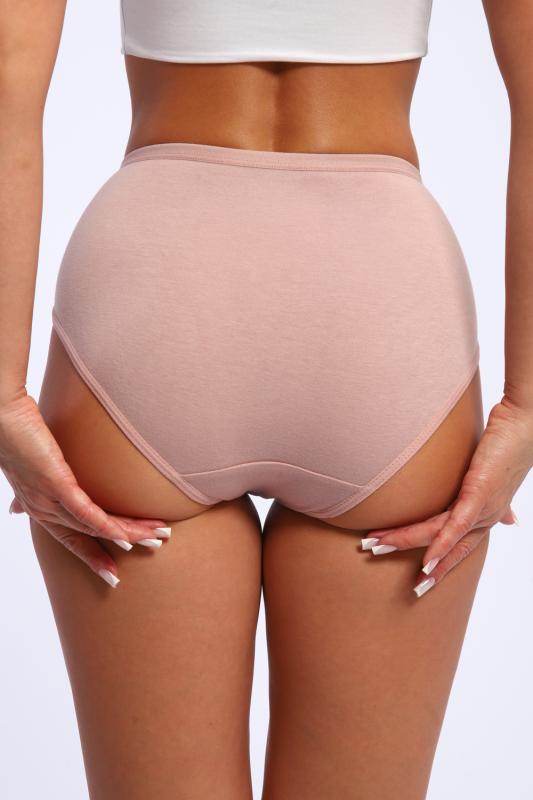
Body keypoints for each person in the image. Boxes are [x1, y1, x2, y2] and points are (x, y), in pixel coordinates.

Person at [1, 1, 532, 798]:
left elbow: (6, 87)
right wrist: (526, 404)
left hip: (157, 286)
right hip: (381, 294)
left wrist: (2, 395)